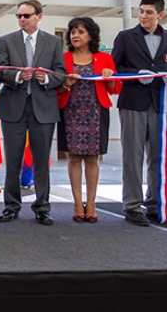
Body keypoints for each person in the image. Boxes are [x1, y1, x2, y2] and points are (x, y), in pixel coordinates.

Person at [0, 0, 66, 226]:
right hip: (13, 107)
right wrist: (17, 77)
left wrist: (45, 78)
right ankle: (11, 206)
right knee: (13, 160)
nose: (22, 20)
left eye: (26, 16)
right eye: (19, 16)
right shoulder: (6, 41)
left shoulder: (54, 42)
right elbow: (1, 71)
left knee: (40, 161)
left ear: (39, 16)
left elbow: (61, 73)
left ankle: (42, 207)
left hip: (43, 108)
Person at [57, 17, 119, 223]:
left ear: (91, 35)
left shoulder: (104, 58)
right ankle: (77, 203)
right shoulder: (63, 58)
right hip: (70, 111)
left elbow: (115, 89)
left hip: (96, 111)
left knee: (93, 158)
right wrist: (66, 82)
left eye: (81, 31)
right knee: (73, 157)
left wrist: (109, 77)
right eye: (73, 31)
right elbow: (56, 89)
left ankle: (91, 204)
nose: (75, 35)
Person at [112, 0, 167, 226]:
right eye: (141, 11)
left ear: (161, 15)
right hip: (133, 101)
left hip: (160, 104)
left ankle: (155, 203)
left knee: (157, 156)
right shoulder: (126, 37)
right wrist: (136, 75)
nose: (143, 16)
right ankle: (133, 205)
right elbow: (114, 67)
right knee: (132, 156)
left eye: (149, 13)